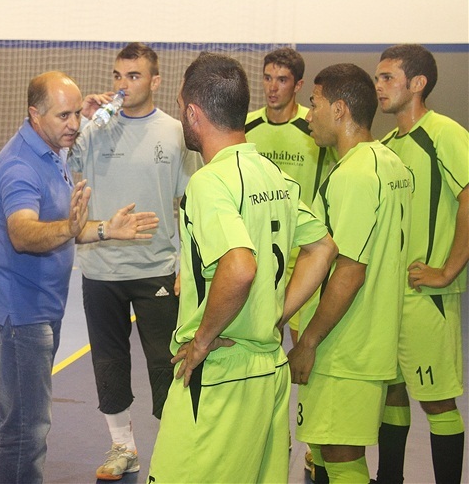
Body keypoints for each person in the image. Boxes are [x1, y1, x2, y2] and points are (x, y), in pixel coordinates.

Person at [148, 52, 337, 483]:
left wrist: (201, 341)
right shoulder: (272, 174)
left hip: (219, 372)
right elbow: (323, 249)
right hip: (268, 371)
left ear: (193, 113)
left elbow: (239, 267)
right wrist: (274, 313)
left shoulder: (209, 182)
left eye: (181, 109)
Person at [0, 70, 160, 484]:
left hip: (32, 309)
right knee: (28, 429)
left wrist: (107, 229)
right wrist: (70, 227)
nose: (74, 124)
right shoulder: (20, 166)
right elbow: (23, 233)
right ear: (34, 115)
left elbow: (69, 226)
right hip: (19, 315)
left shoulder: (50, 148)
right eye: (64, 116)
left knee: (9, 415)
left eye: (78, 113)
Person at [67, 42, 200, 481]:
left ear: (155, 81)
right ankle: (123, 447)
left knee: (165, 363)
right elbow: (57, 164)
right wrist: (83, 120)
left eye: (134, 76)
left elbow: (193, 202)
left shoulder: (176, 133)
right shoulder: (95, 128)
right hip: (100, 268)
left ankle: (171, 448)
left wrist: (186, 262)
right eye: (117, 76)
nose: (123, 85)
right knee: (108, 361)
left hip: (157, 269)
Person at [290, 63, 413, 484]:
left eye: (314, 104)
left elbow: (349, 270)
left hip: (344, 344)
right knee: (327, 451)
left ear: (339, 109)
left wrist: (309, 340)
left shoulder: (355, 174)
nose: (308, 115)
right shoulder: (389, 162)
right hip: (371, 335)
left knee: (340, 456)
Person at [373, 44, 468, 484]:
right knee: (392, 390)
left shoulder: (445, 133)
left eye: (388, 77)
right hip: (390, 299)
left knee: (437, 401)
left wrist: (447, 269)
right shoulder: (387, 145)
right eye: (378, 77)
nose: (379, 86)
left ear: (418, 84)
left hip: (427, 298)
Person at [245, 47, 336, 345]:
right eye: (268, 78)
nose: (273, 87)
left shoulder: (315, 129)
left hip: (303, 256)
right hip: (256, 254)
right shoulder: (246, 126)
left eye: (282, 80)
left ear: (298, 85)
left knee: (302, 346)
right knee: (258, 342)